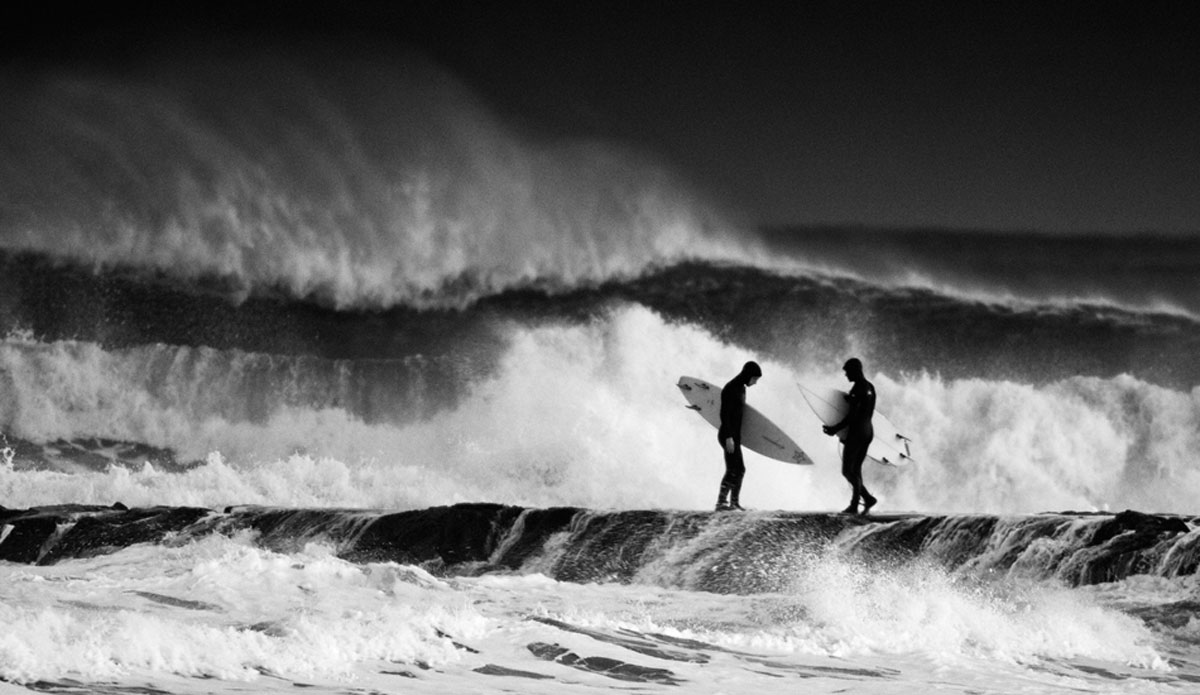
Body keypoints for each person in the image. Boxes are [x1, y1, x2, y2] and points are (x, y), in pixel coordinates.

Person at [822, 358, 878, 515]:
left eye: (847, 372)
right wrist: (852, 401)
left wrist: (835, 429)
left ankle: (857, 503)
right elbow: (868, 410)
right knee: (856, 470)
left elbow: (852, 417)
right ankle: (866, 499)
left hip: (857, 433)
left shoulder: (857, 389)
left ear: (855, 370)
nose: (846, 375)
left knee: (847, 471)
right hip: (868, 431)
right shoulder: (870, 387)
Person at [716, 361, 761, 511]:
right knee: (734, 469)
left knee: (739, 469)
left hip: (735, 436)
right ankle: (721, 503)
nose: (755, 383)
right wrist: (729, 437)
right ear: (748, 375)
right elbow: (724, 414)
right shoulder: (730, 388)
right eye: (754, 379)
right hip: (727, 436)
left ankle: (734, 503)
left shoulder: (741, 388)